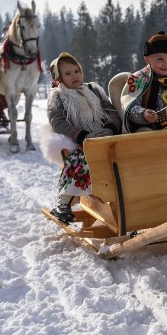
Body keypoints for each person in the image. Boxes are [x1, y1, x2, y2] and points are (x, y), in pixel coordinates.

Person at [46, 52, 121, 223]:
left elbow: (111, 111)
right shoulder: (58, 97)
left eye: (76, 71)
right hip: (80, 140)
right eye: (67, 74)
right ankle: (63, 202)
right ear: (59, 78)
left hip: (105, 135)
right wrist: (82, 135)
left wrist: (110, 128)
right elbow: (58, 123)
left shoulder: (93, 89)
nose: (74, 76)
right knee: (85, 158)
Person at [120, 31, 167, 133]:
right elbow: (129, 108)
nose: (166, 64)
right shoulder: (137, 79)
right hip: (149, 130)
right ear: (147, 59)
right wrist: (144, 114)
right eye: (160, 59)